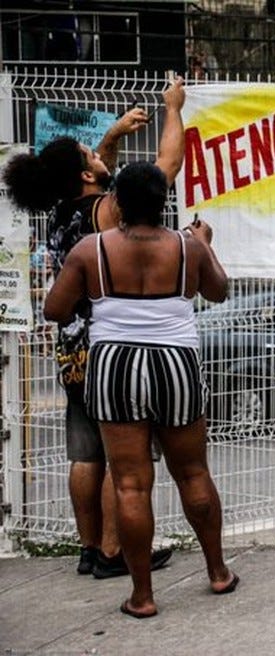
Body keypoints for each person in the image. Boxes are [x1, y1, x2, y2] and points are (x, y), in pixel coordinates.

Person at [1, 77, 186, 578]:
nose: (98, 152)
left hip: (70, 350)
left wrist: (113, 134)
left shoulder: (63, 212)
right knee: (122, 456)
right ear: (86, 174)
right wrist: (174, 108)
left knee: (85, 454)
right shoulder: (108, 212)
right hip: (107, 347)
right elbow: (165, 169)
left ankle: (88, 548)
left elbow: (97, 171)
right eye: (91, 152)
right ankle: (114, 551)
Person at [44, 161, 237, 619]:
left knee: (131, 484)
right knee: (193, 473)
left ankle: (143, 597)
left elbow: (55, 309)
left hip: (114, 366)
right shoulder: (189, 248)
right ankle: (217, 572)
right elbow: (220, 292)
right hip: (177, 363)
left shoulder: (92, 250)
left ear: (119, 203)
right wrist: (206, 247)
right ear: (163, 203)